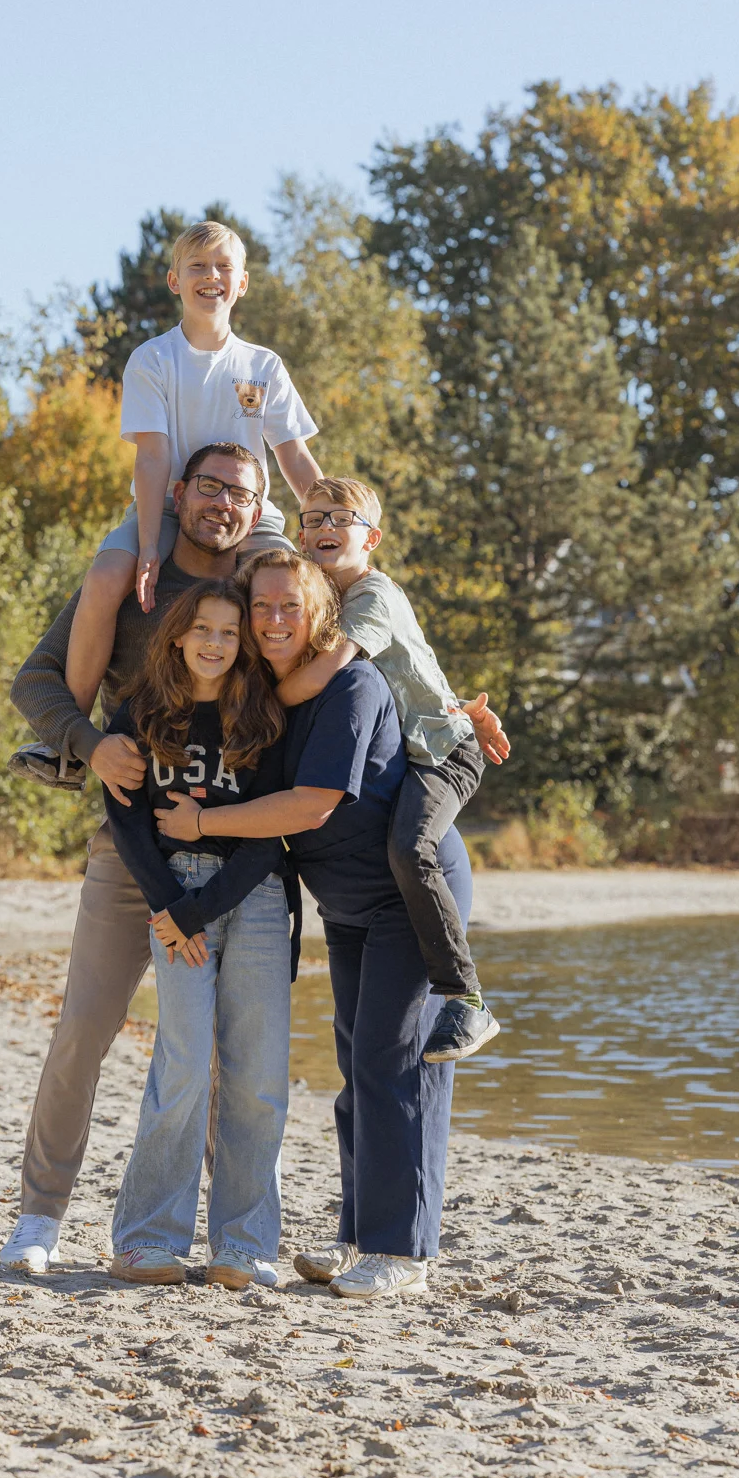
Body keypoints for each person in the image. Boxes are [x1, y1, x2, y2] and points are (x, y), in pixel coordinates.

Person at [156, 549, 475, 1301]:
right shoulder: (266, 692)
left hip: (407, 896)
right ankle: (360, 1235)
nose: (271, 620)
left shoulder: (353, 685)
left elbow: (312, 805)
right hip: (351, 907)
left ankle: (404, 1253)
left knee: (394, 1063)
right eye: (260, 606)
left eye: (288, 607)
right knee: (355, 1069)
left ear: (320, 613)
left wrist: (202, 821)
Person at [0, 442, 270, 1278]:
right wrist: (86, 743)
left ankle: (233, 1237)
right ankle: (38, 1219)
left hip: (237, 861)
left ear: (258, 512)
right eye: (210, 487)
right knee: (85, 1027)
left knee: (230, 1052)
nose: (223, 504)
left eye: (242, 494)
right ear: (178, 494)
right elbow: (36, 682)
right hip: (131, 851)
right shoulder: (133, 585)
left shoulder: (265, 598)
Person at [101, 580, 292, 1290]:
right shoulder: (144, 711)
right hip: (173, 895)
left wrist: (199, 909)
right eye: (203, 628)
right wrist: (171, 907)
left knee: (258, 1073)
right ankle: (147, 1240)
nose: (215, 642)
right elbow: (125, 817)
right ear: (178, 635)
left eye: (230, 632)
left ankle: (243, 1246)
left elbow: (273, 830)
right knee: (181, 1064)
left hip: (257, 898)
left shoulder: (262, 714)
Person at [279, 475, 509, 1064]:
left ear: (372, 537)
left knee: (410, 847)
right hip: (422, 744)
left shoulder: (372, 596)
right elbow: (417, 675)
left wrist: (256, 701)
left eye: (340, 519)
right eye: (313, 518)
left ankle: (468, 998)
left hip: (444, 755)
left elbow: (331, 668)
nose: (324, 528)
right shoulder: (320, 596)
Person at [63, 220, 323, 717]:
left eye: (225, 267)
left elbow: (293, 456)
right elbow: (154, 455)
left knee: (299, 589)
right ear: (174, 280)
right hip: (166, 510)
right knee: (105, 576)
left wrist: (323, 523)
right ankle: (66, 740)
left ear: (242, 283)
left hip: (249, 518)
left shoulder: (262, 365)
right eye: (198, 266)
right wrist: (145, 549)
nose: (212, 276)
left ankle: (300, 725)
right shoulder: (153, 359)